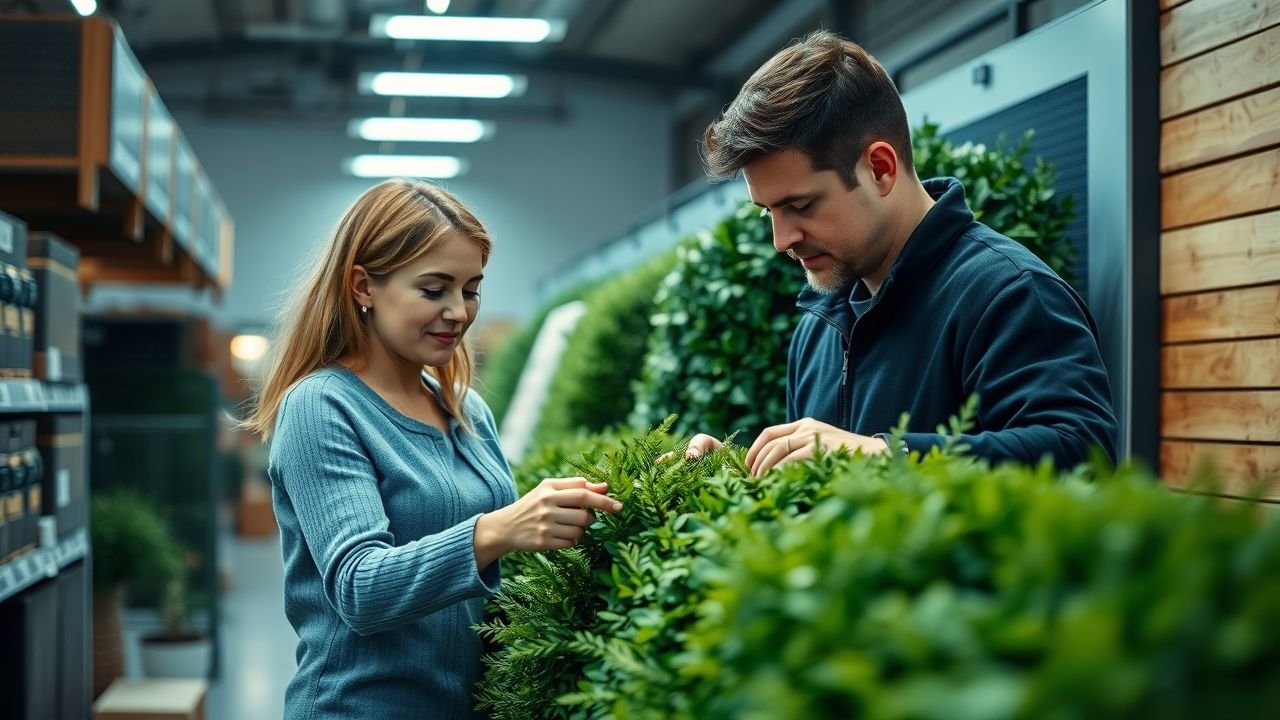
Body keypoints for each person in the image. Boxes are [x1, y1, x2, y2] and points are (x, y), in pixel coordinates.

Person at [243, 179, 622, 720]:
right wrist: (497, 530)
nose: (458, 312)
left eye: (471, 289)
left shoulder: (465, 408)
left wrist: (623, 498)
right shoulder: (322, 407)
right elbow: (360, 587)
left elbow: (494, 570)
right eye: (433, 289)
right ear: (362, 287)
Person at [683, 30, 1118, 475]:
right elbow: (824, 485)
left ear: (880, 168)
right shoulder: (818, 325)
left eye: (800, 206)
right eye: (767, 212)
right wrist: (738, 472)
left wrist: (886, 455)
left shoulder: (1010, 292)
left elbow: (1082, 452)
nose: (782, 240)